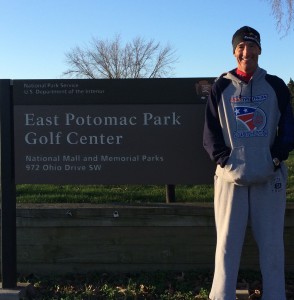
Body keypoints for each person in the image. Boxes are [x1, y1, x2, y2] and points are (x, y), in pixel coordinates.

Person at [203, 25, 294, 300]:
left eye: (252, 46)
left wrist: (275, 158)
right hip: (231, 180)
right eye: (241, 47)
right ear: (234, 52)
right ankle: (221, 296)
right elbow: (210, 134)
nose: (247, 51)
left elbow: (288, 128)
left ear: (259, 50)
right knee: (227, 245)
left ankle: (275, 296)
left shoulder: (275, 85)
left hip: (268, 177)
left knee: (272, 246)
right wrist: (226, 162)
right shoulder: (221, 86)